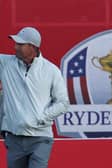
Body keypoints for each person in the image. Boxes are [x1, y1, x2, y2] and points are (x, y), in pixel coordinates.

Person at [0, 27, 69, 168]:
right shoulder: (6, 63)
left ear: (32, 46)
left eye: (20, 44)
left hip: (40, 139)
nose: (15, 47)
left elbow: (63, 102)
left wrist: (41, 117)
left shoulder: (51, 70)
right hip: (14, 138)